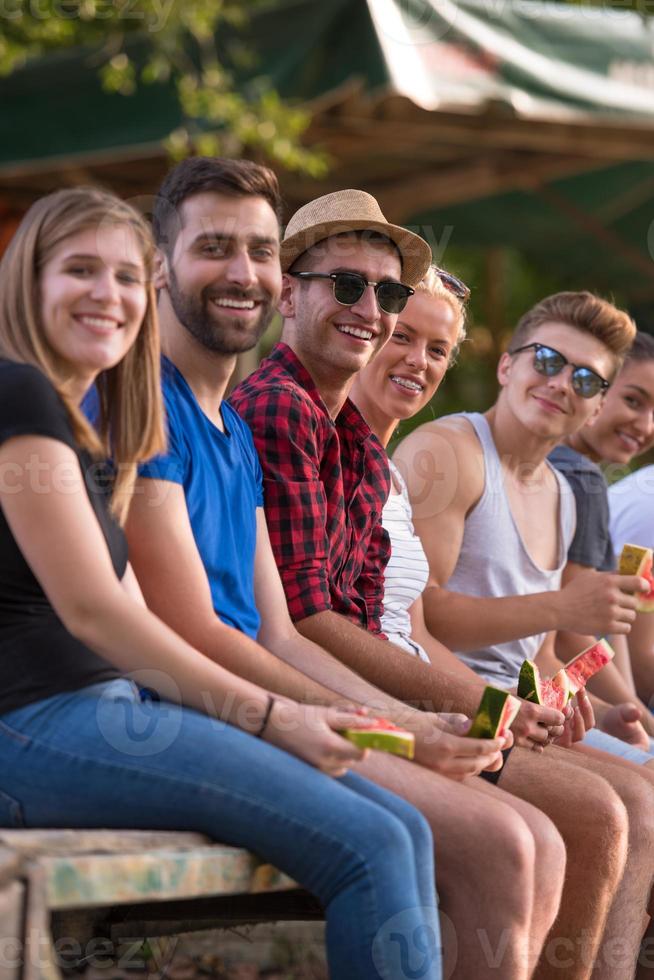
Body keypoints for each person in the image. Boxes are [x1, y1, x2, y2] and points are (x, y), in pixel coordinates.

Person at [125, 160, 564, 980]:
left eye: (388, 297)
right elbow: (207, 632)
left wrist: (412, 724)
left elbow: (296, 630)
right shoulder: (242, 407)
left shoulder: (256, 427)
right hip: (191, 711)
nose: (372, 314)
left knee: (530, 835)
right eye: (347, 288)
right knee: (493, 839)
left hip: (257, 700)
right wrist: (403, 725)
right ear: (290, 296)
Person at [0, 185, 451, 980]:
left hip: (100, 719)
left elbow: (141, 620)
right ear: (26, 286)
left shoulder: (83, 424)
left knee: (405, 826)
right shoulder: (18, 395)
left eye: (125, 277)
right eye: (79, 271)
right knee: (372, 844)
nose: (108, 296)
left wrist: (342, 721)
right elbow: (98, 613)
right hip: (33, 725)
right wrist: (274, 717)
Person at [230, 194, 649, 980]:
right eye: (351, 290)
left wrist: (514, 703)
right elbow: (306, 622)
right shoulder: (347, 428)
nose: (390, 333)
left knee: (612, 810)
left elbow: (410, 626)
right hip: (305, 702)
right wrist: (458, 710)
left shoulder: (357, 443)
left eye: (390, 301)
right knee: (571, 825)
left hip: (384, 696)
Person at [392, 289, 654, 980]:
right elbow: (426, 618)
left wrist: (563, 689)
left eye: (588, 379)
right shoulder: (450, 453)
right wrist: (560, 605)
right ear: (507, 366)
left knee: (644, 792)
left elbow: (536, 652)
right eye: (548, 359)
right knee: (611, 809)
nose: (563, 383)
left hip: (515, 712)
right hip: (436, 700)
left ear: (596, 403)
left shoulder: (564, 493)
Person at [549, 331, 654, 747]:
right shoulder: (581, 480)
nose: (646, 425)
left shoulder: (590, 481)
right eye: (633, 400)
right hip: (554, 694)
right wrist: (639, 718)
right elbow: (574, 632)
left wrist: (632, 713)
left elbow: (616, 626)